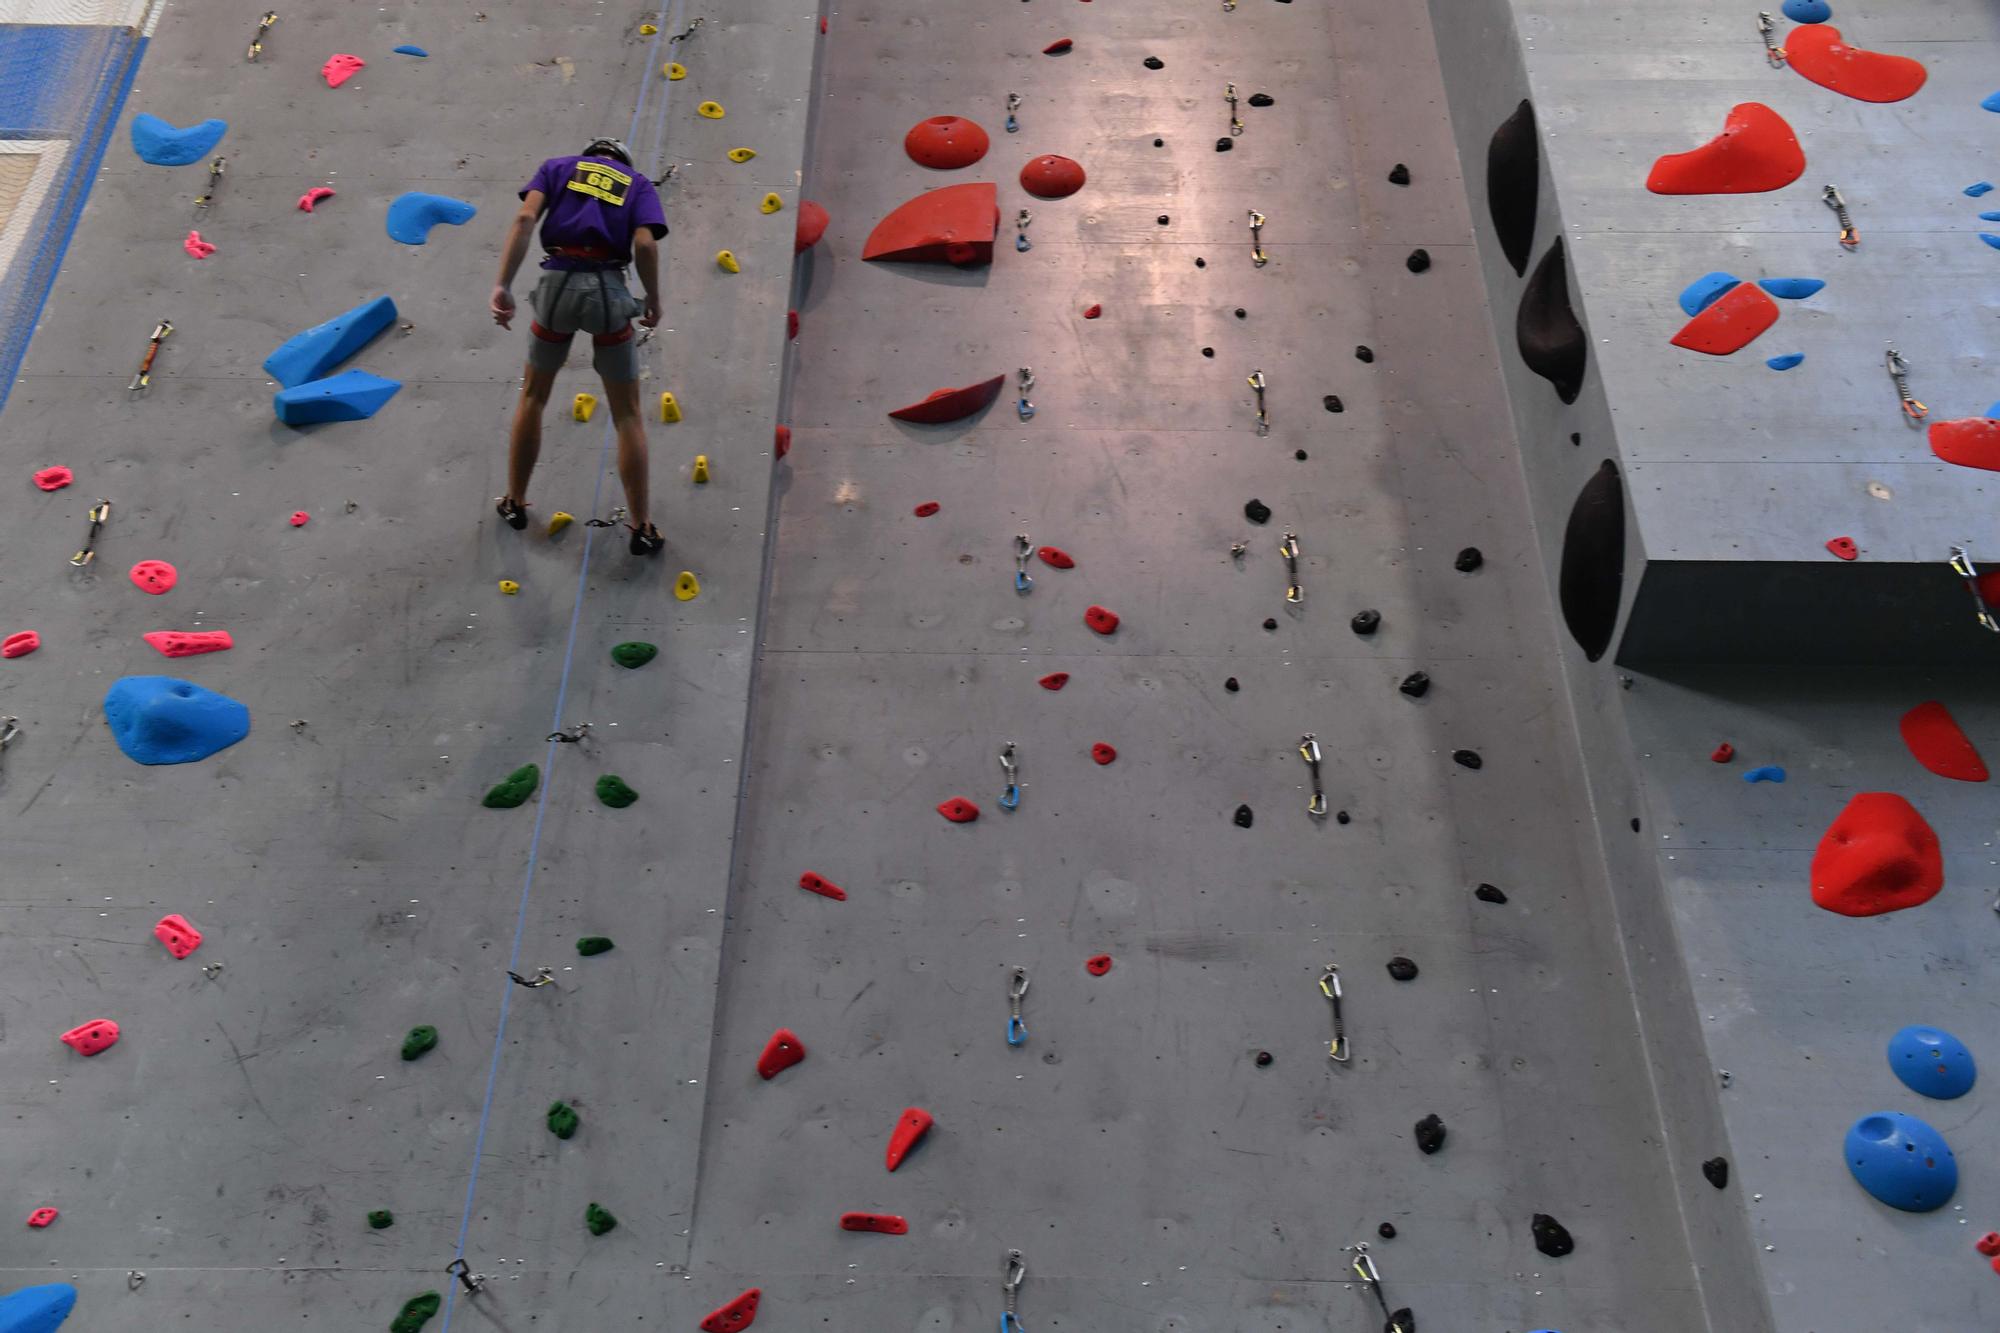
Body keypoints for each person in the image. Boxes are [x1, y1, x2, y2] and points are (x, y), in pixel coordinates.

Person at [490, 137, 668, 555]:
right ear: (621, 162)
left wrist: (503, 285)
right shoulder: (637, 183)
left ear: (589, 156)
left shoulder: (556, 167)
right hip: (607, 291)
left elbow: (523, 220)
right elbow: (644, 244)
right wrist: (654, 299)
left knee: (533, 397)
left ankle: (514, 502)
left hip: (556, 287)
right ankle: (642, 526)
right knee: (627, 415)